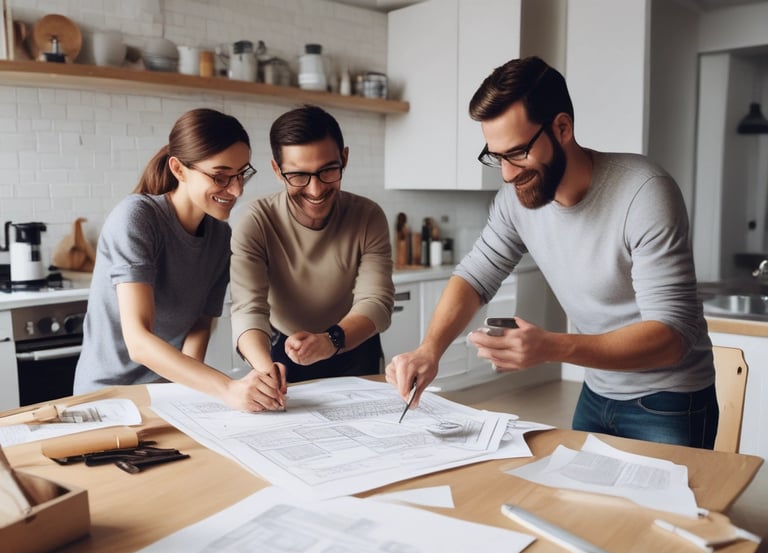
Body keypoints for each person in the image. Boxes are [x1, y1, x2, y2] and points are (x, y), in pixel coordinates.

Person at [386, 56, 719, 449]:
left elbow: (672, 336)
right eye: (497, 156)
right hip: (597, 391)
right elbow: (474, 278)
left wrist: (551, 347)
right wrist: (430, 350)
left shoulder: (644, 193)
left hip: (671, 399)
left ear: (562, 128)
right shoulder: (515, 200)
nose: (507, 173)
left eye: (518, 152)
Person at [74, 108, 284, 412]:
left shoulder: (220, 237)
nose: (237, 189)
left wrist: (187, 392)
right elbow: (138, 341)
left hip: (168, 397)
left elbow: (199, 326)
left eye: (241, 174)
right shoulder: (136, 218)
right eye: (220, 176)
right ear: (179, 169)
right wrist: (227, 389)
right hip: (107, 399)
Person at [230, 104, 394, 398]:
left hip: (352, 343)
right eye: (298, 175)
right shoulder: (255, 221)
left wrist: (331, 340)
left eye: (328, 170)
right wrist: (265, 369)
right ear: (277, 171)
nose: (316, 190)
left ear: (344, 158)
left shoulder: (368, 216)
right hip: (280, 352)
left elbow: (377, 302)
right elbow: (248, 309)